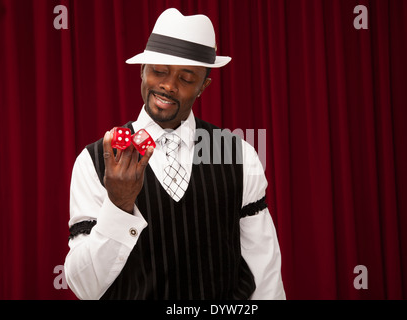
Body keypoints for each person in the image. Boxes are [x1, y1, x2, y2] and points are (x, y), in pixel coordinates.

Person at [64, 8, 286, 300]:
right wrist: (118, 206)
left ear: (203, 86)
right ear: (142, 70)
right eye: (159, 71)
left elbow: (264, 270)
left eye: (186, 77)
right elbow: (85, 288)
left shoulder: (237, 155)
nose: (168, 85)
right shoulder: (94, 160)